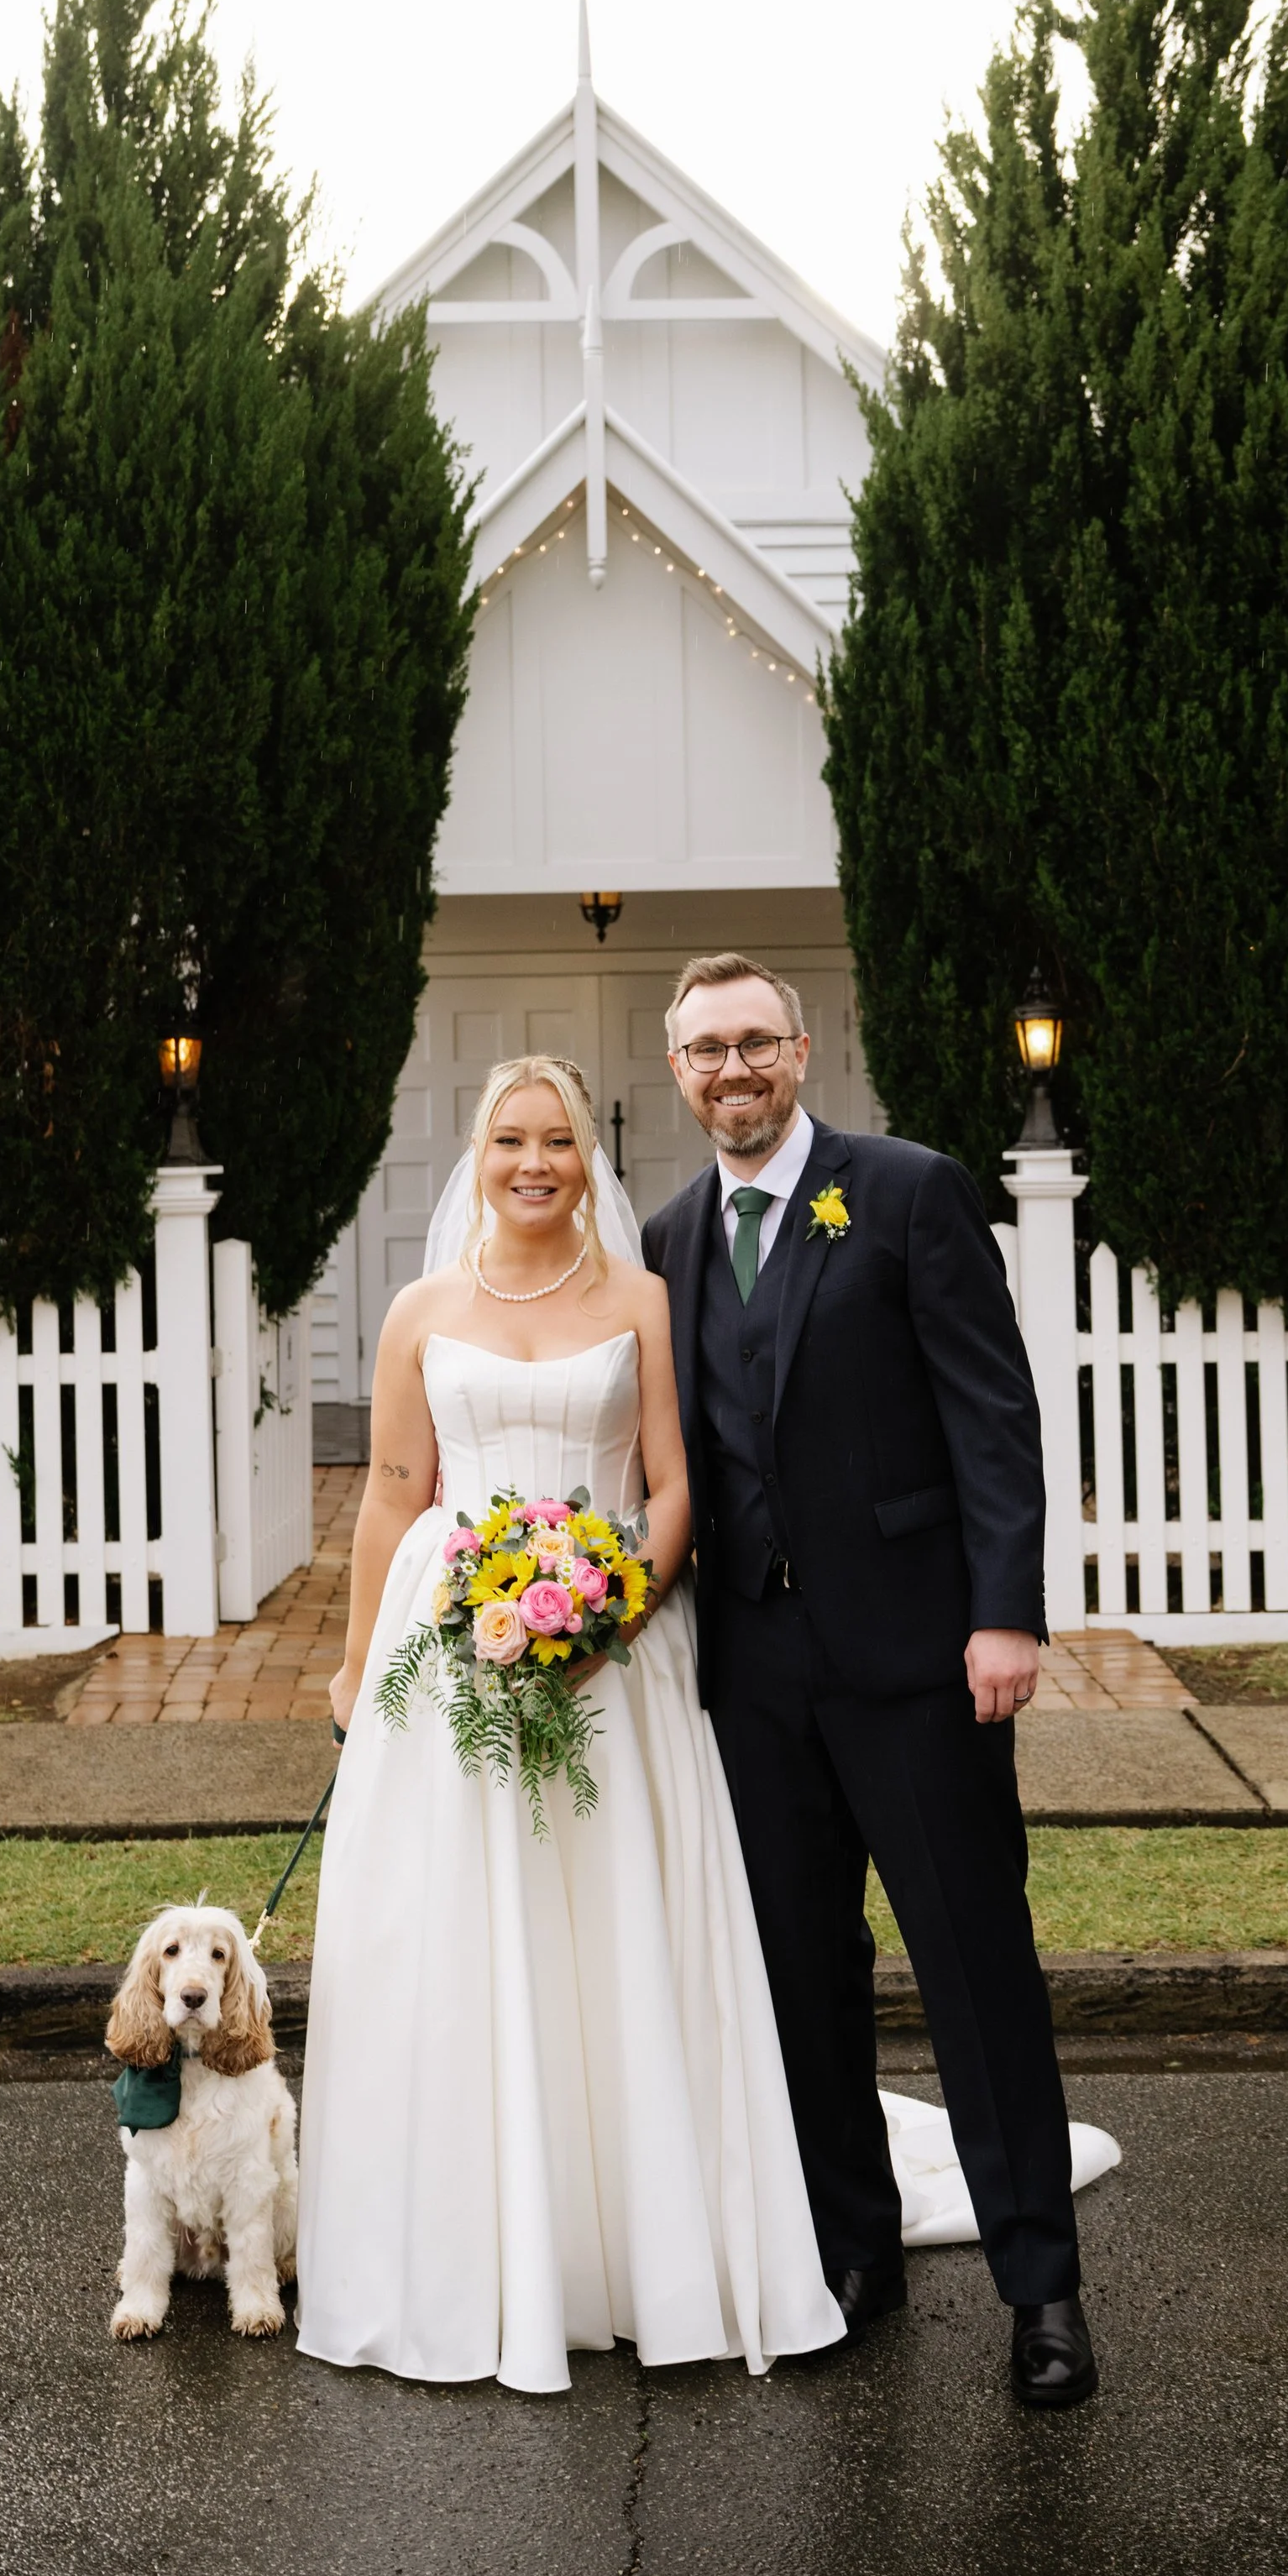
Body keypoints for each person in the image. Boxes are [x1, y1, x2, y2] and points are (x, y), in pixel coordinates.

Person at [295, 1055, 848, 2391]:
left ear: (582, 1156)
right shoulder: (421, 1307)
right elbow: (391, 1493)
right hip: (455, 1654)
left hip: (622, 1659)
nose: (533, 1162)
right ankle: (478, 2250)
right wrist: (361, 1660)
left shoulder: (643, 1298)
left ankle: (633, 2243)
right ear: (476, 1158)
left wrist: (608, 1611)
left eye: (553, 1140)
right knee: (463, 1938)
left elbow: (671, 1487)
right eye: (507, 1141)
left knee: (614, 1932)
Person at [641, 952, 1099, 2408]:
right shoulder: (665, 1241)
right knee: (801, 1979)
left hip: (917, 1662)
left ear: (801, 1045)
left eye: (755, 1043)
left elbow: (993, 1411)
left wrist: (1003, 1614)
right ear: (678, 1072)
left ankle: (1044, 2288)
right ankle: (854, 2252)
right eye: (706, 1050)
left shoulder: (903, 1190)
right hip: (755, 1678)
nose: (734, 1070)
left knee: (974, 1964)